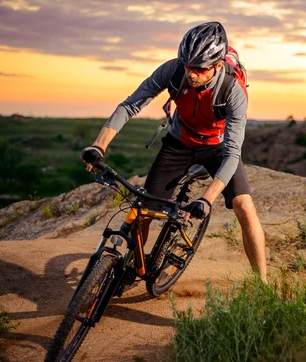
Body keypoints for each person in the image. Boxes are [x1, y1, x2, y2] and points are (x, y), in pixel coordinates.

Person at [80, 21, 267, 283]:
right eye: (188, 65)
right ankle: (132, 268)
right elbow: (130, 105)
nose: (191, 74)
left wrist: (206, 199)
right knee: (143, 212)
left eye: (200, 69)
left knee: (245, 206)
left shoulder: (233, 91)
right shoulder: (174, 70)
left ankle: (262, 286)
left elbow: (233, 152)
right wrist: (99, 144)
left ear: (216, 65)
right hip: (179, 143)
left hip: (218, 148)